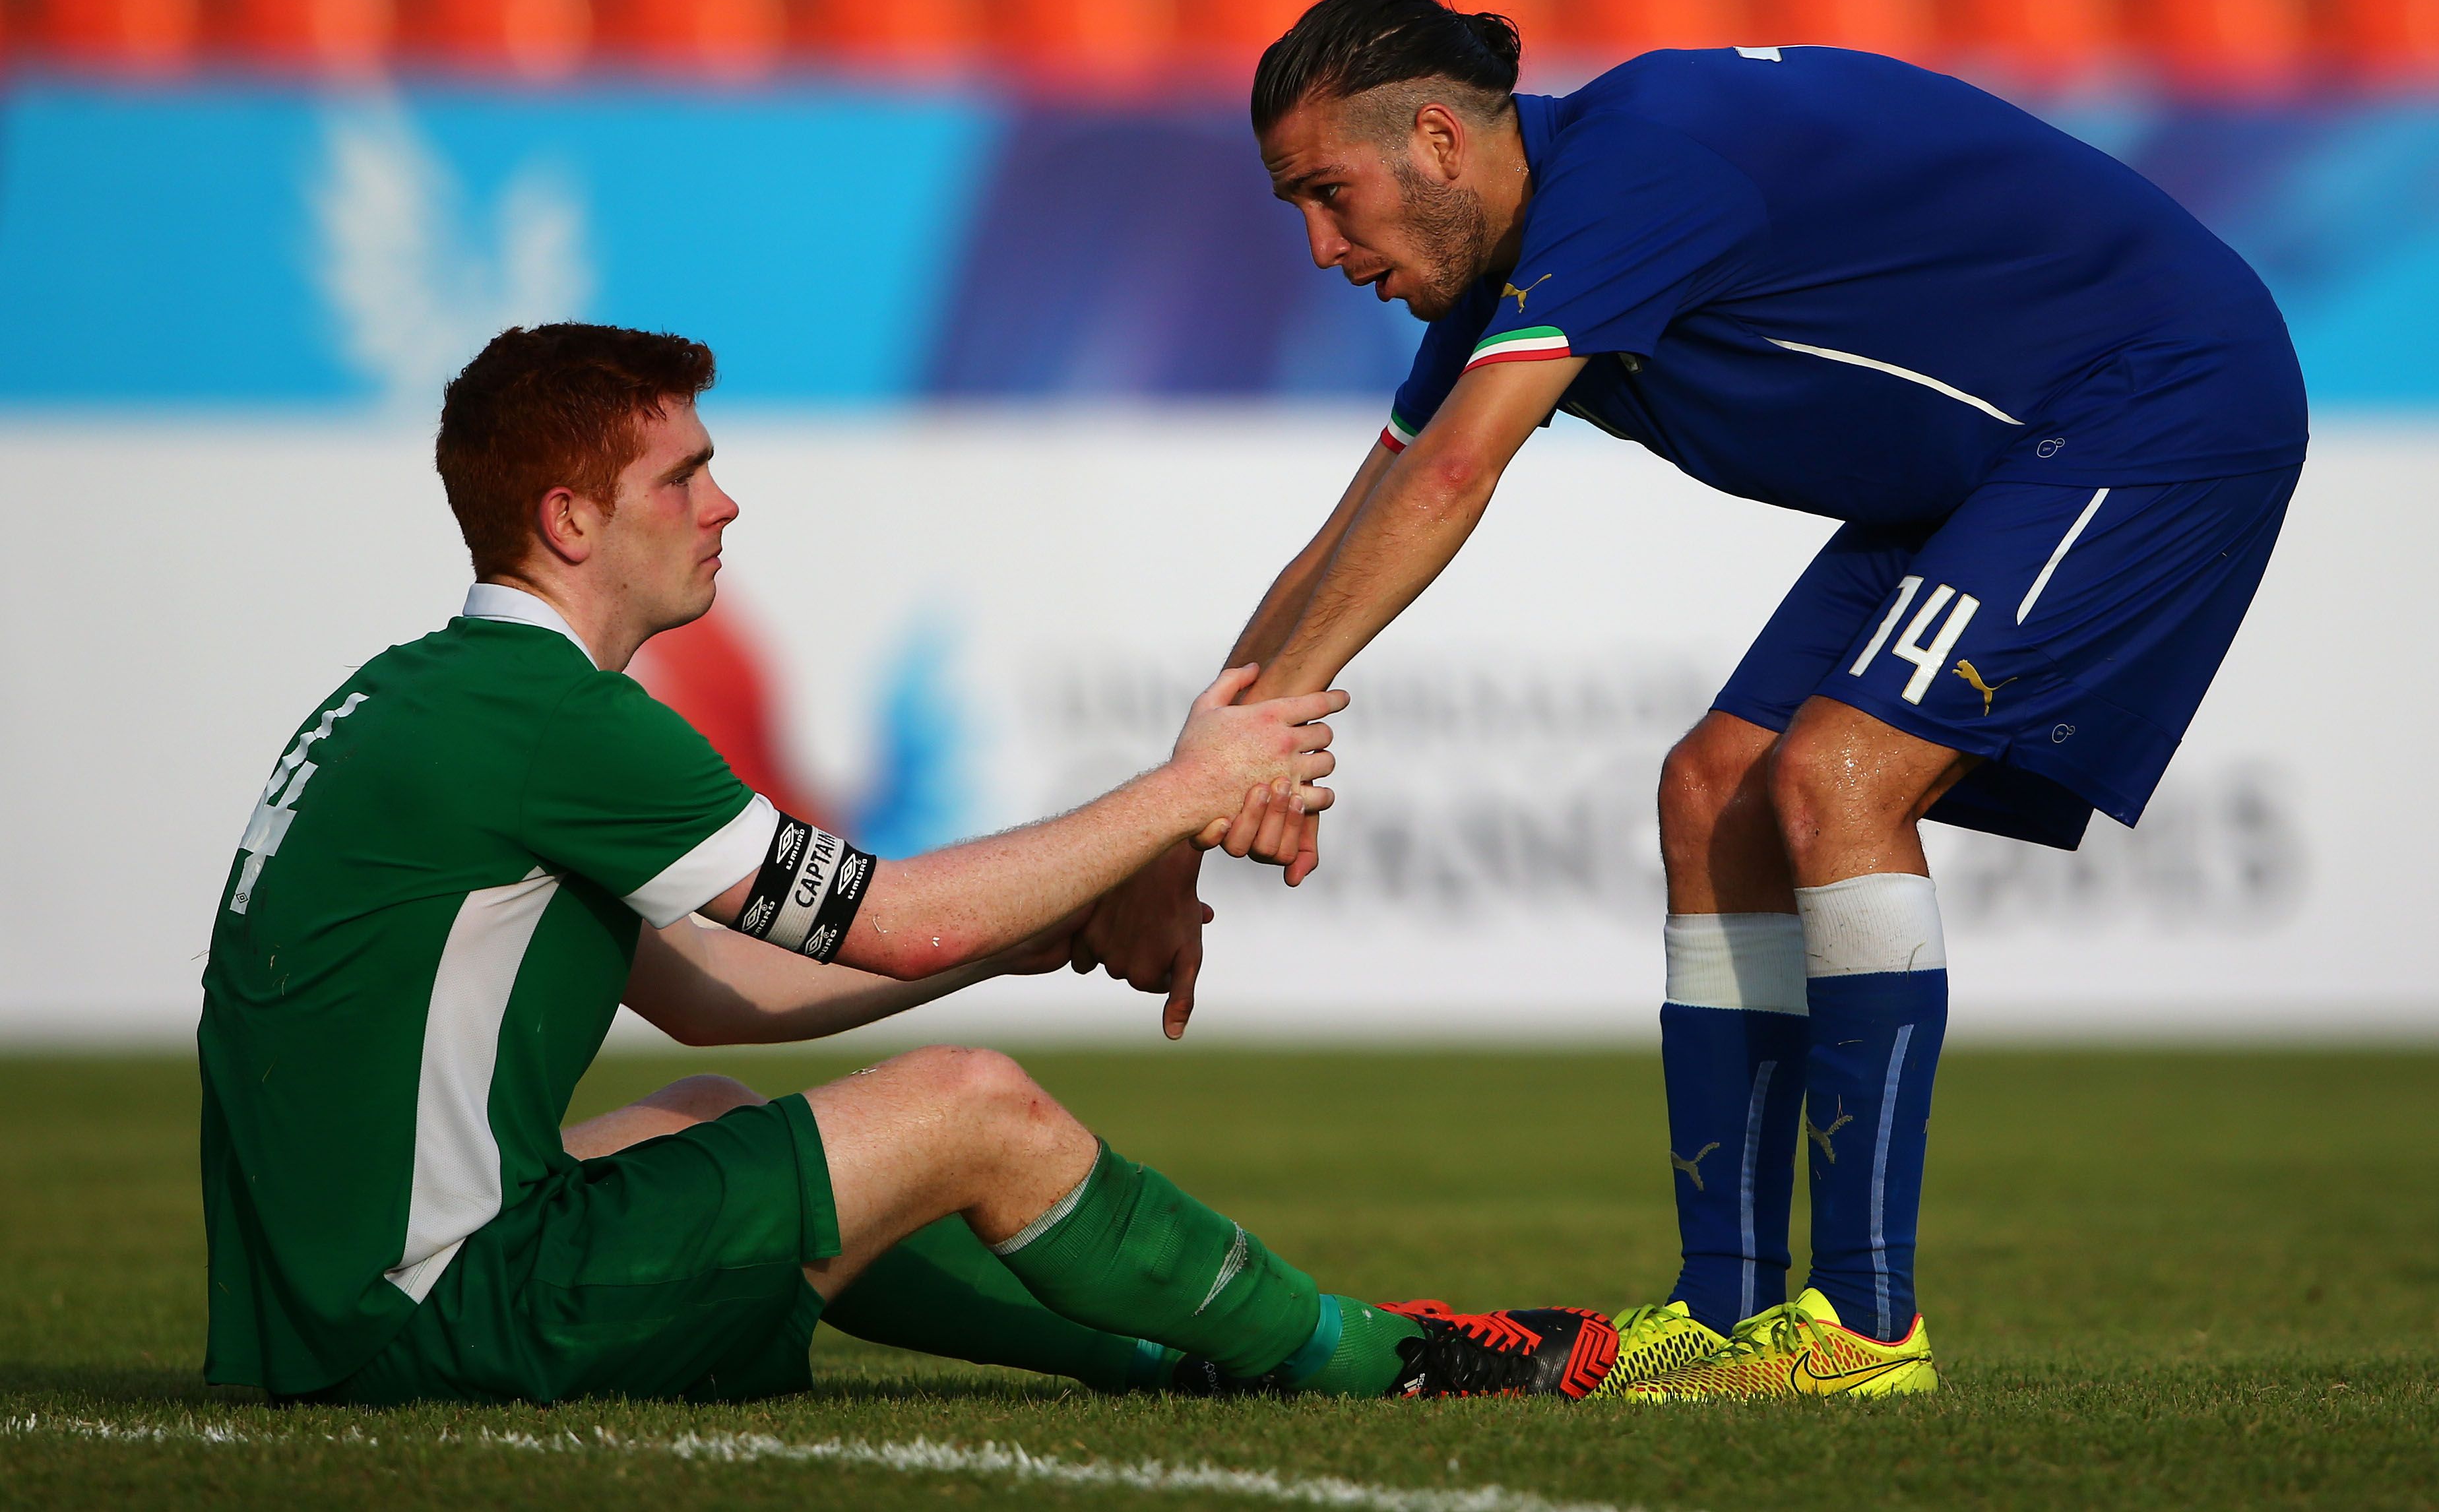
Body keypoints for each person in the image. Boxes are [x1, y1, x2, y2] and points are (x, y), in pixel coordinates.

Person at [1086, 0, 2305, 1401]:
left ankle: (1859, 1334)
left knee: (1833, 774)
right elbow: (1349, 529)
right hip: (1988, 460)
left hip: (2152, 399)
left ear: (1434, 139)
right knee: (1708, 788)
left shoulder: (1635, 166)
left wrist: (1241, 761)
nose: (1316, 247)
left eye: (1326, 194)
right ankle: (1722, 1321)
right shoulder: (1524, 245)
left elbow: (1449, 479)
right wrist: (1177, 815)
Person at [197, 321, 1619, 1406]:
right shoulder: (554, 721)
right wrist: (1189, 791)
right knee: (970, 1109)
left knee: (700, 1109)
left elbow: (712, 992)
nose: (722, 505)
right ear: (571, 521)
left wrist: (1036, 935)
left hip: (305, 1319)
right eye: (682, 475)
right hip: (438, 1318)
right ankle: (1375, 1356)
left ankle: (1157, 1345)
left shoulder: (417, 693)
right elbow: (901, 925)